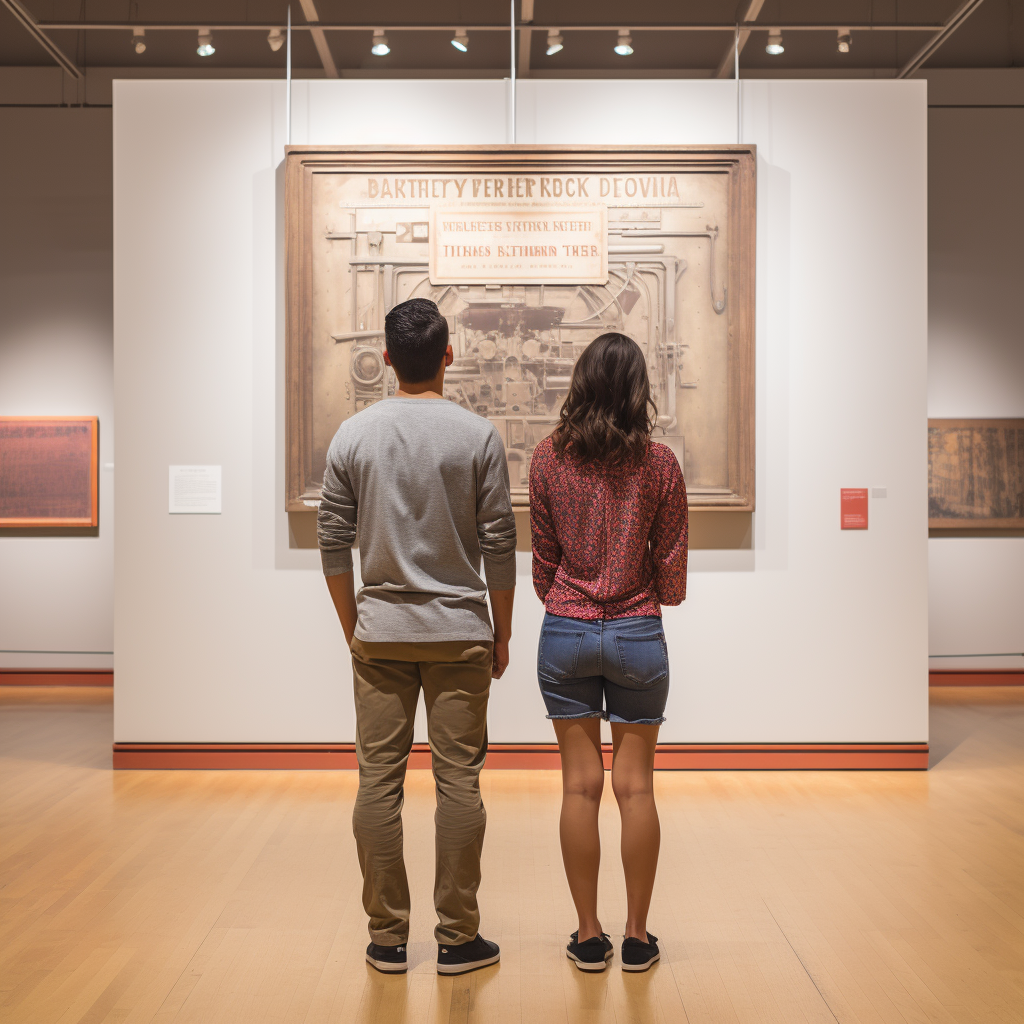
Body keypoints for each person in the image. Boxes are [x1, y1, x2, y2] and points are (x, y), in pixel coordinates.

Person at [317, 297, 516, 976]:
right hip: (461, 631)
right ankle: (459, 938)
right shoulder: (478, 436)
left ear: (389, 358)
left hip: (380, 634)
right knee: (459, 782)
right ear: (449, 356)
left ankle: (387, 939)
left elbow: (332, 543)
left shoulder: (353, 436)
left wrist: (353, 627)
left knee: (379, 782)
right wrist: (504, 631)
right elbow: (500, 546)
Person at [529, 332, 688, 974]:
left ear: (581, 383)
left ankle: (588, 935)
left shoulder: (546, 459)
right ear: (638, 389)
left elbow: (542, 563)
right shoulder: (660, 465)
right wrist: (640, 586)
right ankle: (638, 937)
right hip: (637, 630)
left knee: (579, 787)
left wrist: (570, 596)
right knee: (637, 790)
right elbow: (671, 578)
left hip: (564, 630)